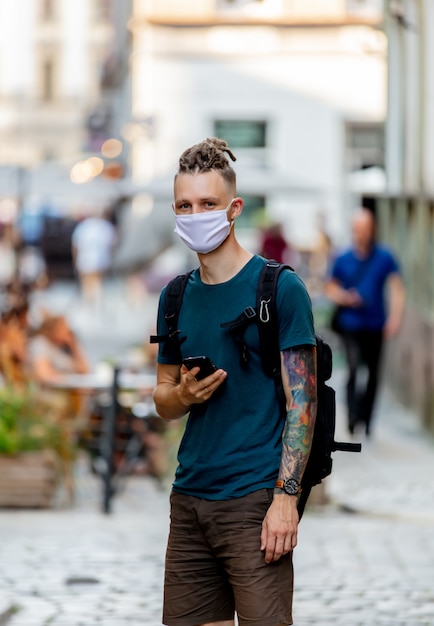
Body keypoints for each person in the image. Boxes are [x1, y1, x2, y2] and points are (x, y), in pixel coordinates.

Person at [152, 137, 317, 626]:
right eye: (184, 205)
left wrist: (286, 499)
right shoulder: (174, 296)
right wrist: (182, 394)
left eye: (208, 204)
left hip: (254, 502)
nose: (194, 214)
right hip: (189, 501)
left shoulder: (280, 289)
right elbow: (162, 399)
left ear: (234, 208)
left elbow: (302, 404)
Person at [325, 207, 405, 437]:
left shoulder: (384, 256)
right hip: (350, 324)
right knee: (352, 370)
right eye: (358, 229)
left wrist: (395, 318)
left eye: (366, 229)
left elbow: (397, 287)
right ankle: (351, 416)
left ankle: (367, 419)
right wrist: (345, 297)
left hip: (375, 324)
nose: (361, 234)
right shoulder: (343, 257)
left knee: (373, 374)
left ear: (373, 230)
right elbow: (329, 286)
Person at [71, 209, 117, 306]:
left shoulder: (83, 226)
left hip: (86, 260)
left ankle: (90, 307)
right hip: (101, 260)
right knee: (97, 285)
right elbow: (112, 244)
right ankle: (95, 307)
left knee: (88, 286)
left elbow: (75, 246)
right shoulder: (106, 226)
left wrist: (75, 261)